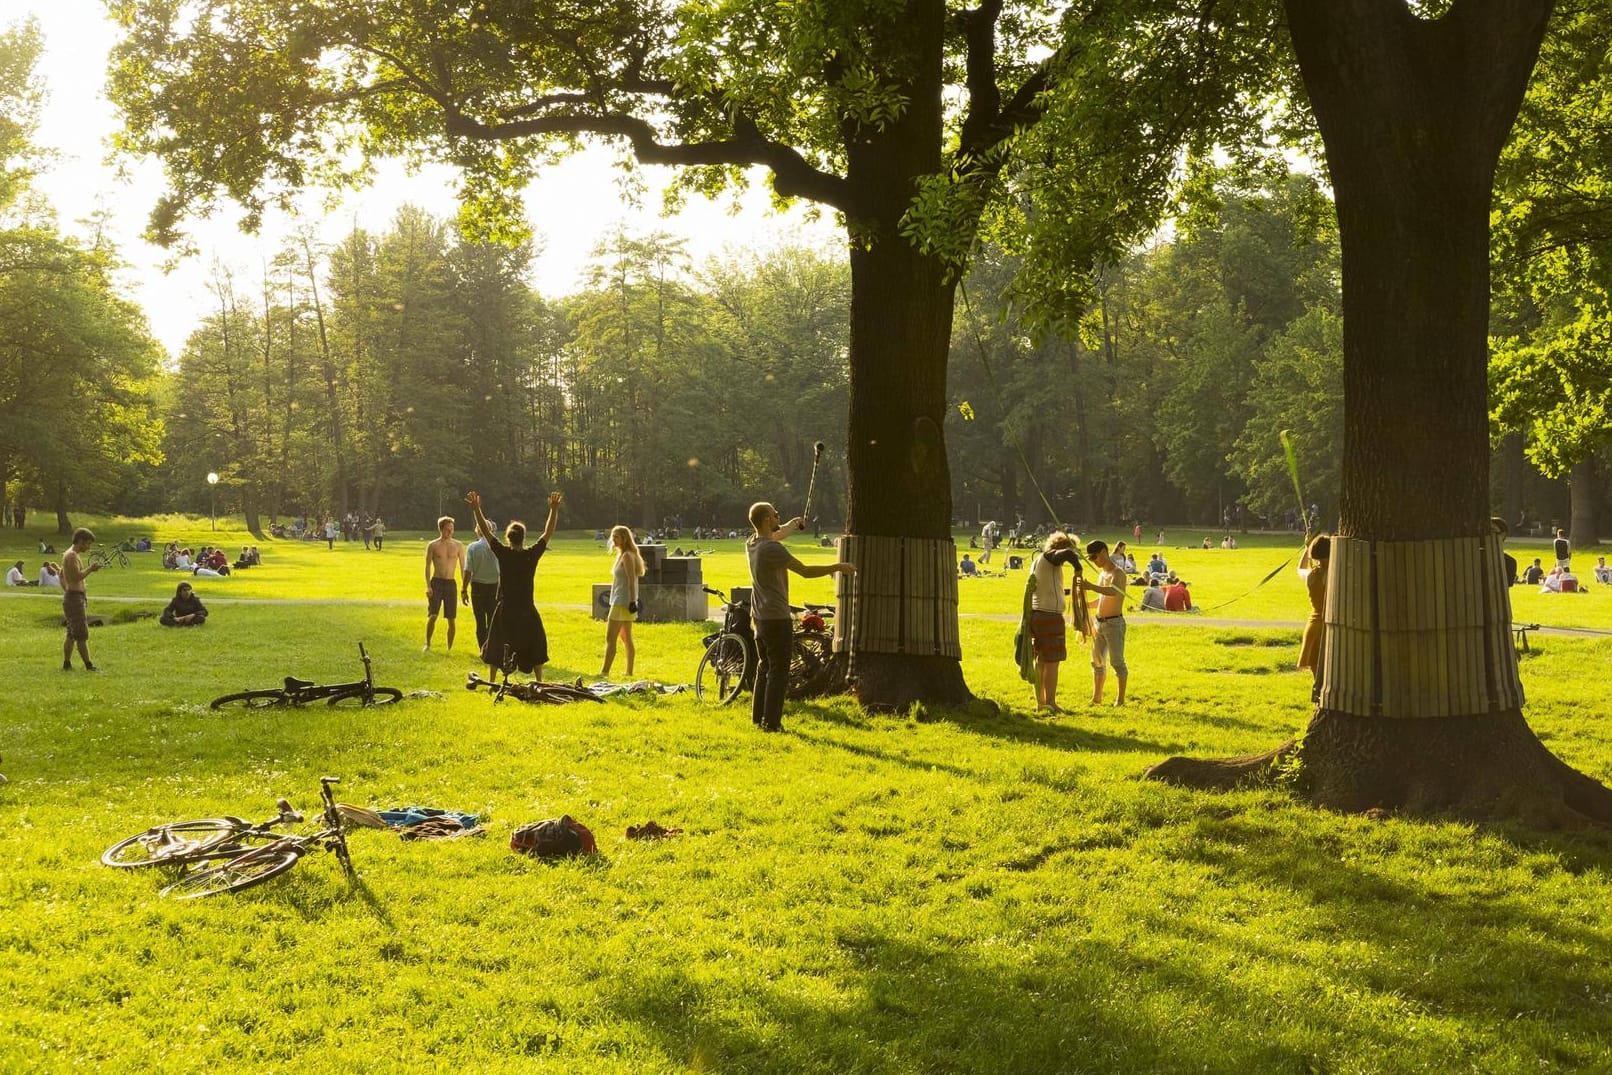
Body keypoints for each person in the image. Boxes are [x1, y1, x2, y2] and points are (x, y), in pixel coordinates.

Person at [745, 500, 855, 732]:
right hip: (776, 618)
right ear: (766, 520)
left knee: (764, 668)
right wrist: (837, 567)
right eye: (775, 515)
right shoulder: (772, 550)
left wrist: (793, 524)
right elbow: (805, 571)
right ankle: (772, 724)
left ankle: (758, 719)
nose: (778, 518)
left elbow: (777, 533)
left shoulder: (753, 543)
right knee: (778, 671)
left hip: (759, 617)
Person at [465, 490, 560, 679]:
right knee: (536, 642)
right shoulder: (531, 555)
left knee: (496, 644)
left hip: (506, 608)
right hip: (526, 608)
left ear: (508, 537)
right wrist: (554, 510)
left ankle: (492, 681)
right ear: (523, 537)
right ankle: (539, 680)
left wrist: (476, 509)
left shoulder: (503, 553)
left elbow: (485, 530)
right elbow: (548, 532)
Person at [1028, 532, 1081, 714]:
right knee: (1052, 661)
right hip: (1050, 616)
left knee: (1041, 660)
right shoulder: (1052, 557)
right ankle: (1051, 702)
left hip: (1038, 615)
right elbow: (1068, 554)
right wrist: (1078, 568)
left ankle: (1041, 702)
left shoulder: (1038, 561)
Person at [1077, 540, 1127, 706]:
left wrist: (1090, 586)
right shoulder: (1102, 574)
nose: (1094, 561)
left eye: (1095, 557)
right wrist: (1084, 605)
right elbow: (1101, 599)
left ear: (1104, 552)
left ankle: (1120, 700)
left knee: (1117, 662)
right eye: (1091, 559)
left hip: (1114, 624)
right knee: (1097, 661)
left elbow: (1113, 592)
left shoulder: (1118, 574)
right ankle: (1096, 697)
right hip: (1099, 624)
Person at [600, 525, 646, 677]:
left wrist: (633, 601)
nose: (613, 540)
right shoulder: (622, 555)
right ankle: (629, 672)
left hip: (622, 601)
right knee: (626, 637)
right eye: (613, 537)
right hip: (620, 598)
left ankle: (605, 672)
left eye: (616, 537)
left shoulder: (627, 556)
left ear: (624, 539)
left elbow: (632, 580)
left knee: (610, 638)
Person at [61, 527, 101, 671]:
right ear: (80, 541)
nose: (89, 547)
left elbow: (61, 575)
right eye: (88, 543)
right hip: (74, 598)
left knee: (71, 633)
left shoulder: (70, 554)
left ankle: (67, 663)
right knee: (81, 633)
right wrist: (91, 569)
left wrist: (67, 589)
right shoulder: (71, 556)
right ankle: (89, 665)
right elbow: (76, 576)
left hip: (74, 596)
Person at [424, 515, 466, 652]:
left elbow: (463, 567)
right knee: (433, 616)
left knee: (451, 619)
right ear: (441, 529)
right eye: (447, 529)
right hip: (436, 583)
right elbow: (428, 566)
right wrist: (428, 586)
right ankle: (428, 644)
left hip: (450, 584)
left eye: (452, 529)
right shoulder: (433, 545)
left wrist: (464, 587)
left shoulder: (458, 545)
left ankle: (449, 649)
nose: (450, 532)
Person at [461, 515, 501, 653]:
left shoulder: (473, 547)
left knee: (480, 621)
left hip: (478, 586)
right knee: (492, 620)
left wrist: (463, 589)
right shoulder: (498, 546)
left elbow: (468, 571)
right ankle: (492, 648)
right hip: (494, 586)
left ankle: (482, 649)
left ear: (477, 531)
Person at [1298, 534, 1330, 704]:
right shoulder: (1334, 576)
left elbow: (1300, 568)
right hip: (1329, 625)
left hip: (1313, 625)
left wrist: (1306, 549)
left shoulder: (1311, 576)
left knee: (1316, 671)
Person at [1490, 517, 1516, 586]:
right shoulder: (1473, 558)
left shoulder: (1509, 562)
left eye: (1492, 531)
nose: (1488, 535)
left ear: (1503, 535)